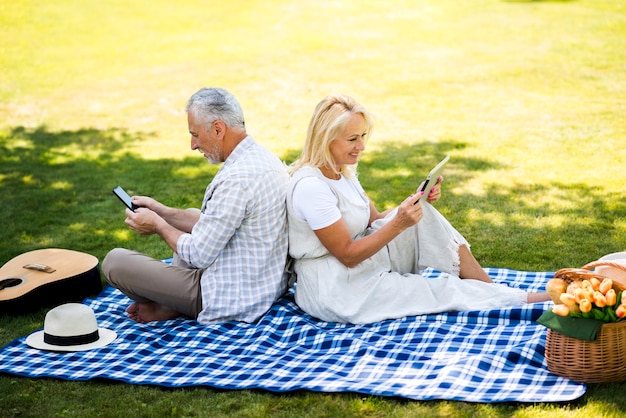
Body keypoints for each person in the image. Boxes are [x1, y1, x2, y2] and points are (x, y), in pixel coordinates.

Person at [286, 93, 550, 324]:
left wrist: (415, 203)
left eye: (363, 136)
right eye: (352, 139)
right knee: (437, 290)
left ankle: (493, 291)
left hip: (359, 266)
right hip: (337, 289)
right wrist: (400, 222)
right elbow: (347, 255)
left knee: (425, 218)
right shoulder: (312, 188)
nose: (362, 146)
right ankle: (526, 300)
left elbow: (374, 219)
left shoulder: (341, 171)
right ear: (326, 139)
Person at [102, 87, 289, 325]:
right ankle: (172, 303)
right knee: (192, 216)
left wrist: (158, 225)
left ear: (218, 129)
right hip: (262, 283)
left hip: (227, 296)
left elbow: (199, 254)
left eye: (196, 135)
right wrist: (162, 211)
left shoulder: (237, 180)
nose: (192, 145)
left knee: (114, 262)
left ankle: (175, 304)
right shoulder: (262, 158)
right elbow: (219, 223)